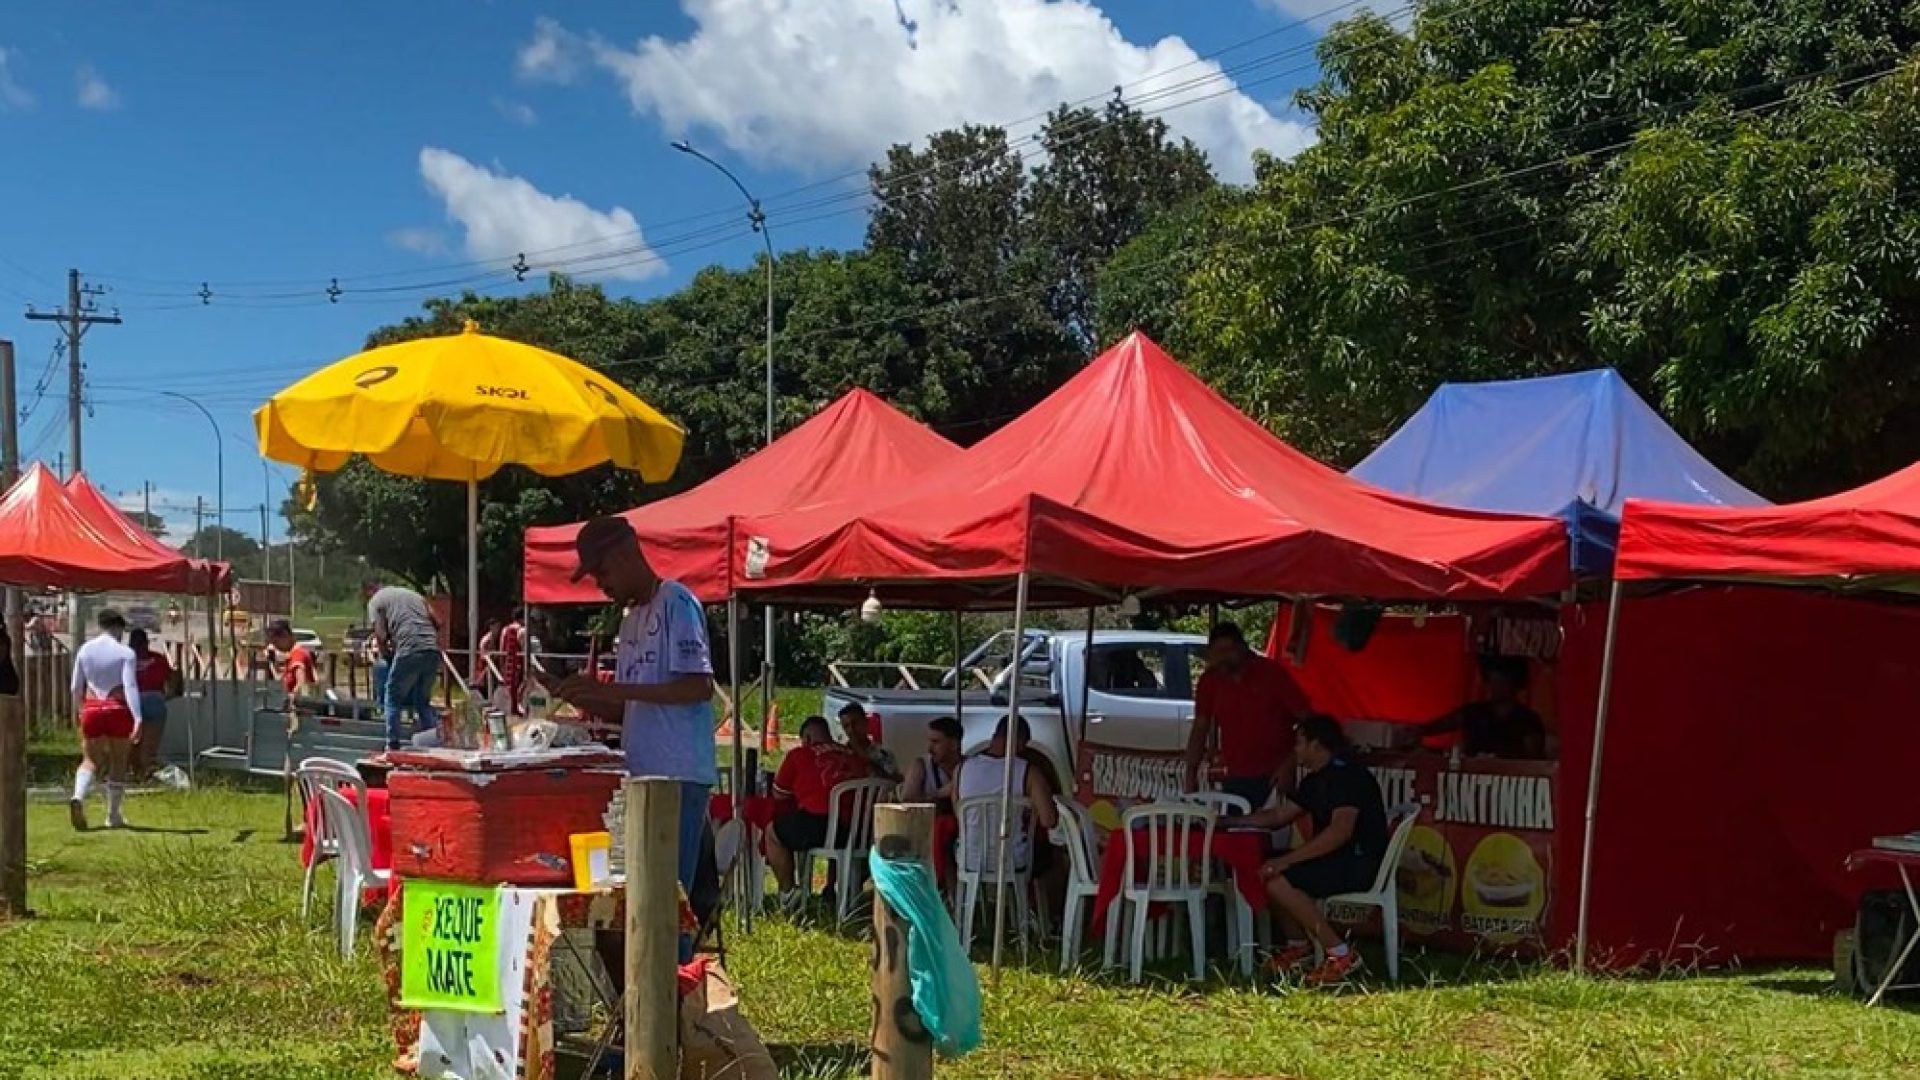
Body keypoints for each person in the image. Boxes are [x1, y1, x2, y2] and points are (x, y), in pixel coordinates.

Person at [555, 516, 716, 956]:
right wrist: (585, 698)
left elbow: (696, 686)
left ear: (627, 555)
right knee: (639, 896)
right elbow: (631, 707)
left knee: (669, 896)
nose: (601, 585)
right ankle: (646, 1001)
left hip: (678, 776)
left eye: (603, 572)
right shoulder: (628, 624)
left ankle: (675, 1002)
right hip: (641, 774)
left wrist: (612, 690)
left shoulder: (677, 602)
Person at [1239, 714, 1389, 986]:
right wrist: (1227, 821)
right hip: (1336, 860)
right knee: (1267, 867)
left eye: (1299, 743)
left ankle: (1341, 954)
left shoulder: (1347, 776)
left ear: (1316, 745)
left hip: (1360, 863)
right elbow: (1276, 817)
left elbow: (1340, 832)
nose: (1294, 750)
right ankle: (1300, 947)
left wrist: (1287, 860)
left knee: (1278, 878)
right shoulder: (1314, 780)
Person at [1184, 621, 1309, 810]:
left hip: (1275, 773)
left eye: (1227, 652)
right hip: (1235, 774)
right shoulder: (1210, 681)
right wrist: (1190, 773)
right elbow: (1200, 727)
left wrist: (1290, 763)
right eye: (1217, 653)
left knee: (1273, 832)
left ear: (1242, 648)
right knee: (1237, 832)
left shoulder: (1271, 673)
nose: (1222, 659)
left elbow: (1308, 721)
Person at [765, 716, 872, 908]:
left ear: (806, 738)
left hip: (819, 823)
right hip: (857, 831)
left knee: (773, 832)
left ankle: (788, 893)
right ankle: (844, 893)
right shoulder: (854, 756)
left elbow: (779, 794)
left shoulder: (799, 754)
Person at [954, 716, 1060, 896]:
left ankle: (969, 907)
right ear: (1020, 742)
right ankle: (1045, 914)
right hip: (1013, 859)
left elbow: (959, 812)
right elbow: (1048, 820)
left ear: (995, 736)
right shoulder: (1028, 771)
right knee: (1054, 855)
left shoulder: (962, 768)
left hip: (969, 858)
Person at [69, 609, 144, 831]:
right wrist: (137, 717)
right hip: (116, 708)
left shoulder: (85, 650)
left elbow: (75, 687)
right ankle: (112, 815)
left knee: (90, 760)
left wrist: (79, 710)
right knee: (118, 761)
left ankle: (78, 796)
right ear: (118, 628)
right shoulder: (125, 653)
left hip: (92, 708)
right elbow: (130, 686)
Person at [1422, 656, 1546, 759]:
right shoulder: (1475, 712)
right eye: (1492, 681)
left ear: (1514, 684)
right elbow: (1444, 724)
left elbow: (1533, 757)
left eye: (1501, 682)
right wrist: (1417, 731)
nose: (1495, 687)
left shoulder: (1528, 719)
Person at [367, 584, 440, 750]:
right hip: (431, 649)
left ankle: (392, 743)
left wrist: (387, 656)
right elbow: (438, 621)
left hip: (409, 649)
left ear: (370, 591)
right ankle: (433, 741)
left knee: (392, 697)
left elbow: (380, 634)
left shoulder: (375, 602)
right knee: (422, 700)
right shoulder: (416, 596)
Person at [127, 629, 175, 778]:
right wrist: (167, 695)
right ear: (147, 643)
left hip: (132, 702)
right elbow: (172, 680)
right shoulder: (158, 659)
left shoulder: (126, 660)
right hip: (154, 700)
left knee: (132, 742)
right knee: (149, 745)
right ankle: (146, 771)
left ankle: (132, 772)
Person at [901, 716, 964, 815]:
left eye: (936, 742)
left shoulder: (970, 767)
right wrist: (939, 794)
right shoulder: (921, 766)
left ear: (954, 744)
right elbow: (907, 804)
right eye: (929, 741)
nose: (929, 749)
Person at [838, 701, 900, 781]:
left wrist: (862, 755)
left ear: (865, 722)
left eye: (855, 723)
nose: (851, 730)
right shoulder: (840, 754)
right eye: (846, 726)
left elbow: (893, 781)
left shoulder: (884, 753)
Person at [267, 619, 318, 700]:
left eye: (276, 642)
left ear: (285, 635)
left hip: (301, 708)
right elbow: (281, 680)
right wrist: (271, 663)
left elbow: (301, 683)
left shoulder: (298, 655)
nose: (275, 647)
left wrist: (291, 699)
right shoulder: (292, 656)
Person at [499, 609, 528, 717]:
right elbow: (525, 648)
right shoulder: (522, 630)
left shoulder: (505, 629)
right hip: (518, 662)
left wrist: (502, 663)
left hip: (508, 661)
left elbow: (502, 647)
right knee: (520, 686)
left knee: (508, 686)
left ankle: (509, 707)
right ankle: (517, 707)